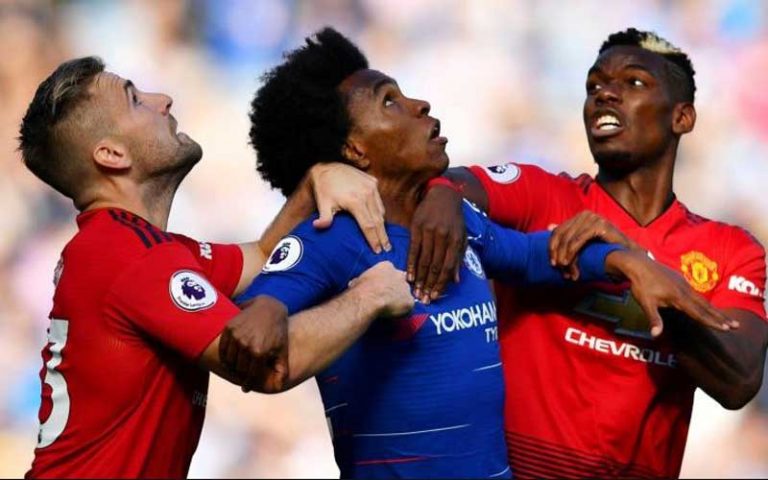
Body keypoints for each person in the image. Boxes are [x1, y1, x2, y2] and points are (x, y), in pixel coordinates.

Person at [238, 27, 734, 479]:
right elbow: (260, 312)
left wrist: (623, 261)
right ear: (356, 151)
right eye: (390, 102)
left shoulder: (464, 224)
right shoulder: (334, 236)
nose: (420, 104)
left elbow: (531, 255)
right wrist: (267, 307)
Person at [19, 56, 415, 478]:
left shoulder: (131, 247)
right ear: (112, 154)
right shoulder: (128, 255)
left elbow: (264, 256)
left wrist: (314, 183)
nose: (163, 99)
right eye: (135, 100)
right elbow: (269, 365)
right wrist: (370, 296)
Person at [409, 28, 768, 478]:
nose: (604, 94)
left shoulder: (731, 249)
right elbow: (455, 185)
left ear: (682, 117)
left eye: (633, 82)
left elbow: (739, 381)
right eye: (594, 85)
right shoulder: (540, 196)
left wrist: (637, 266)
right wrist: (442, 190)